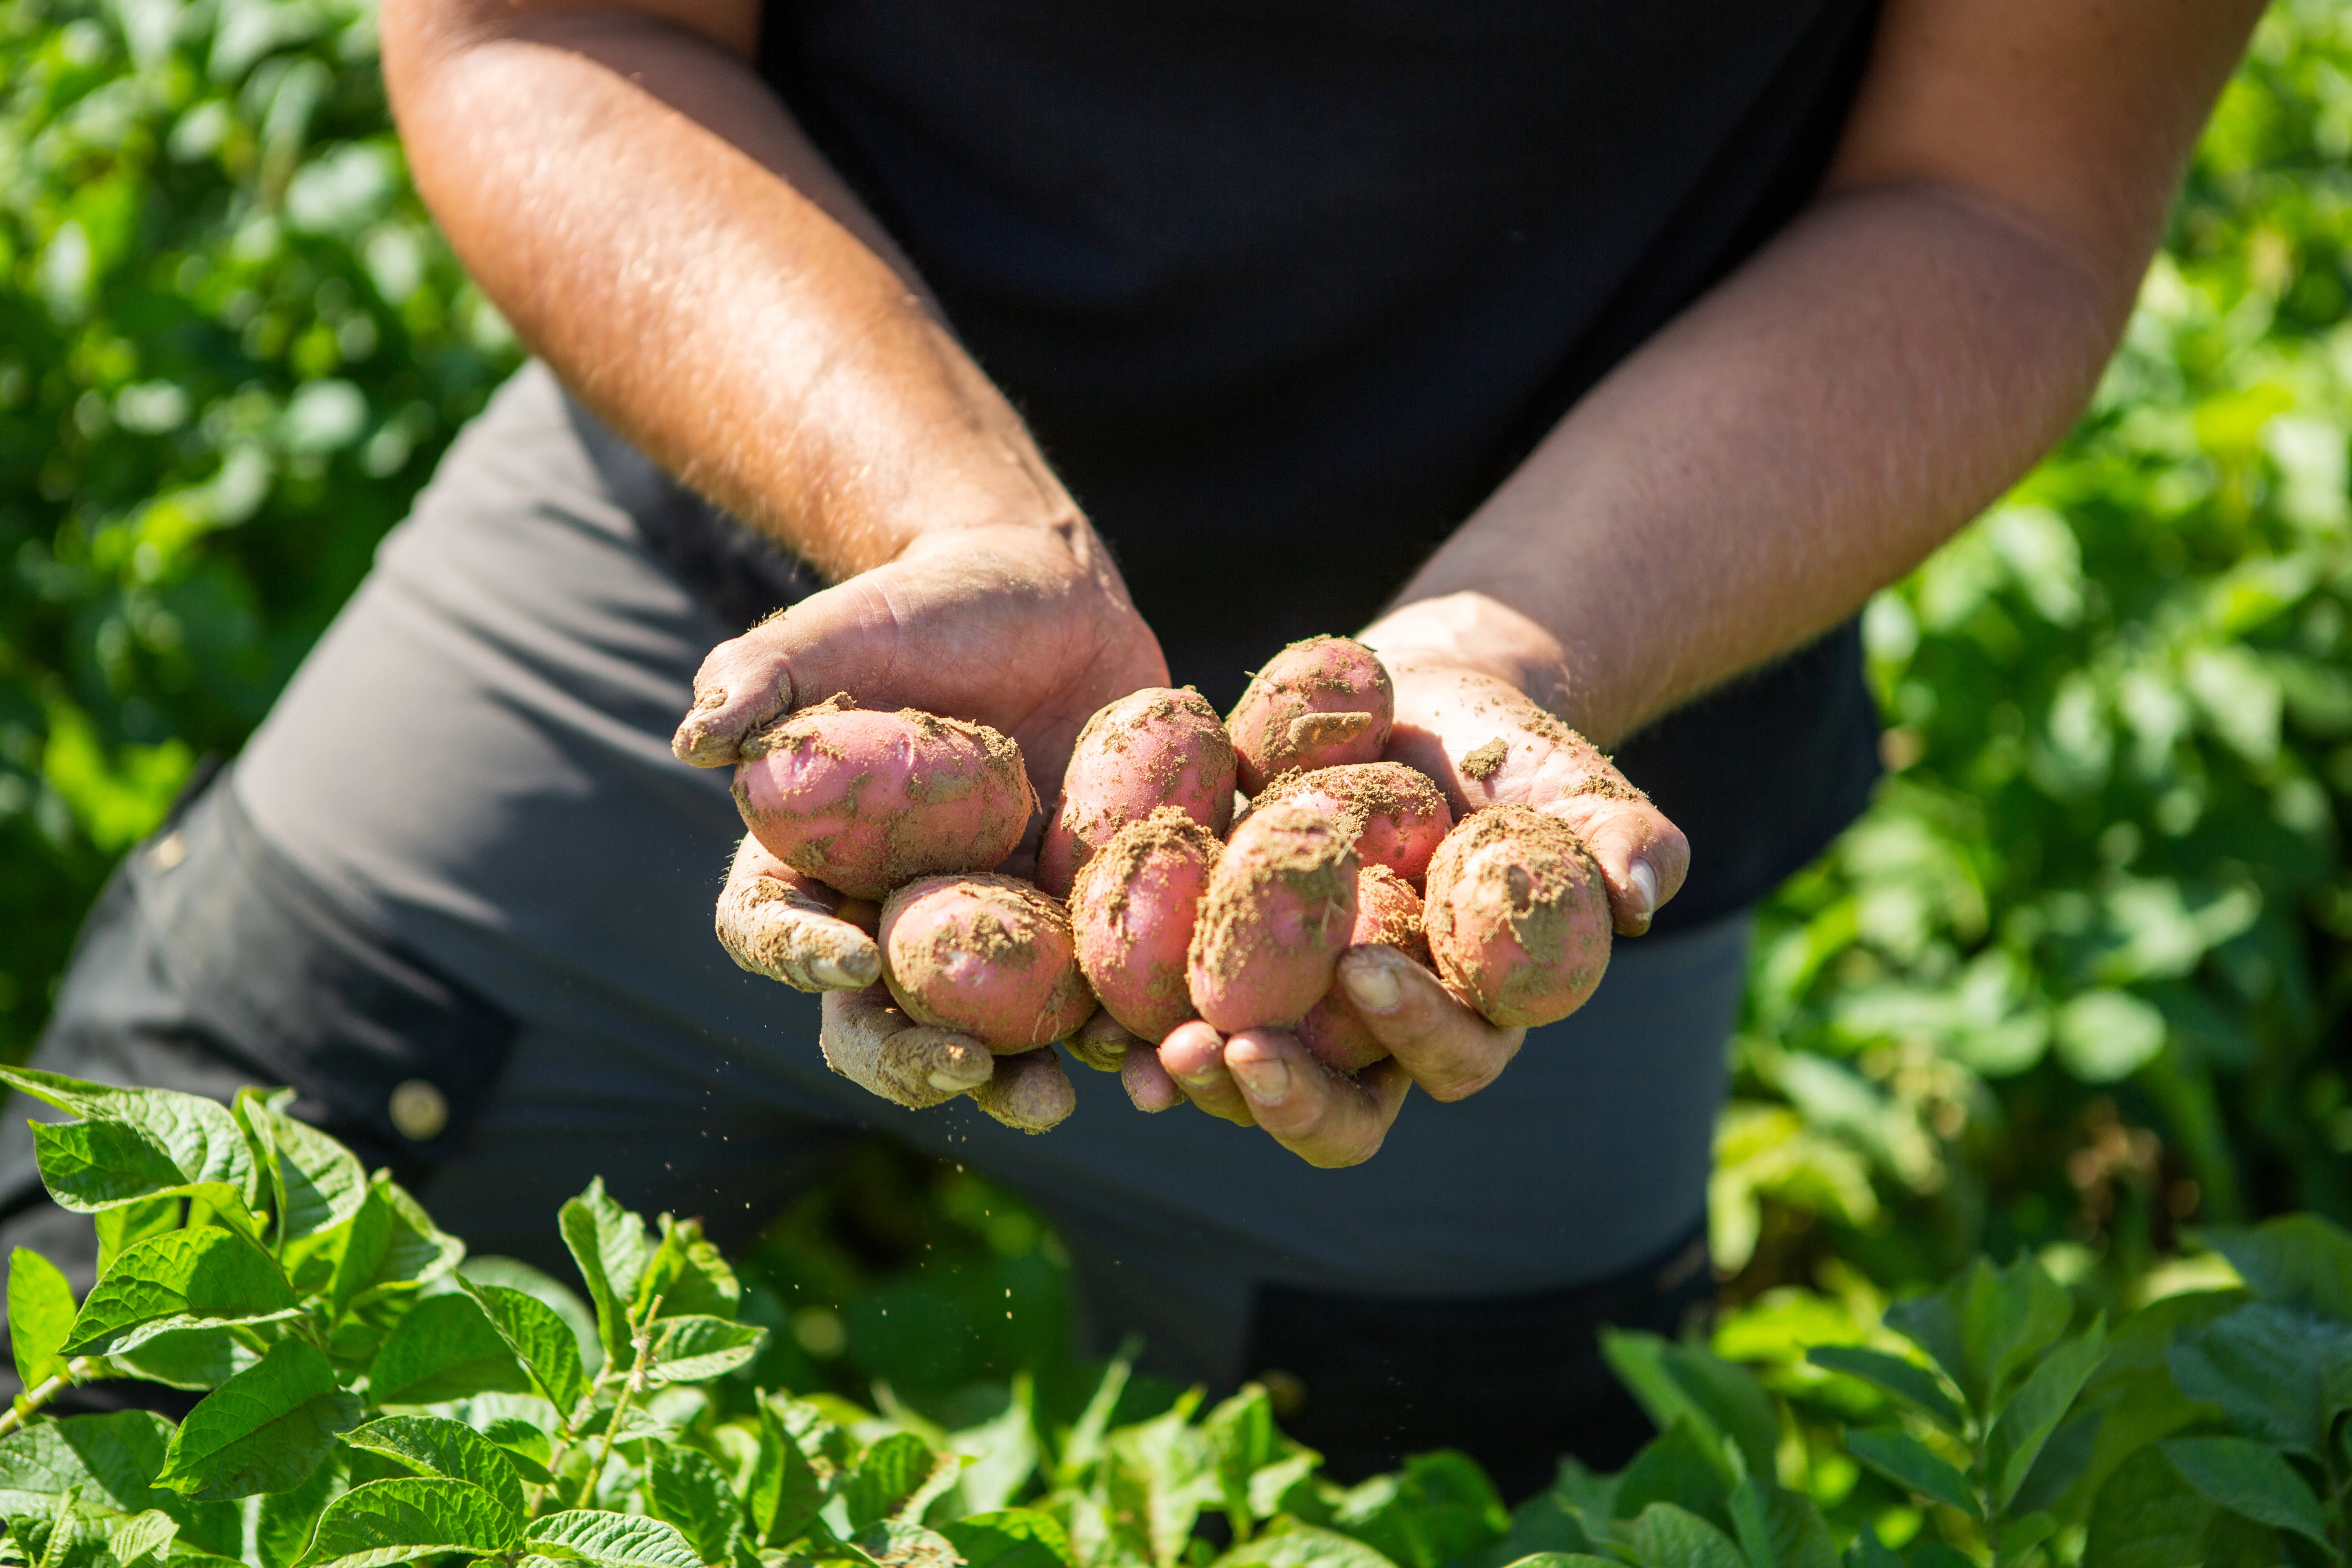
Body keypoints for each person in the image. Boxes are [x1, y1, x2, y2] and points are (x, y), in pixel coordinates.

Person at [0, 0, 2261, 1496]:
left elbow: (1999, 198)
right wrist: (945, 522)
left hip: (1543, 719)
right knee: (105, 1332)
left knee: (1484, 1503)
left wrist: (1503, 654)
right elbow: (540, 22)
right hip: (741, 551)